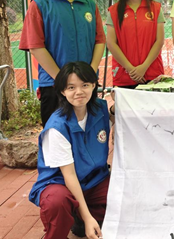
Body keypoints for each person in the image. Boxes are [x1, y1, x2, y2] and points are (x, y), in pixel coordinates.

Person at [20, 0, 106, 126]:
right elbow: (36, 46)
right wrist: (63, 81)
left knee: (88, 133)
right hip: (54, 86)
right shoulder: (40, 5)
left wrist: (90, 74)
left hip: (86, 86)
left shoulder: (90, 5)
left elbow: (99, 41)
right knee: (56, 136)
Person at [29, 61, 114, 239]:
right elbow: (69, 176)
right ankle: (72, 223)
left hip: (94, 180)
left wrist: (119, 105)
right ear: (62, 91)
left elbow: (115, 118)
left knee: (122, 192)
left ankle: (81, 220)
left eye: (85, 85)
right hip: (61, 183)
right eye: (71, 87)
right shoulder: (57, 127)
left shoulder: (100, 108)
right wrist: (88, 217)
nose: (79, 92)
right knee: (56, 202)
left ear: (94, 85)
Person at [106, 0, 165, 88]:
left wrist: (144, 67)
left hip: (152, 74)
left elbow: (159, 41)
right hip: (124, 76)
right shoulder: (114, 11)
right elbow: (111, 43)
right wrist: (130, 69)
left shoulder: (156, 8)